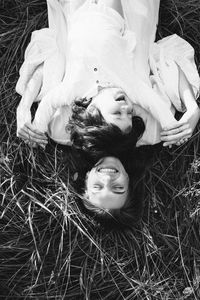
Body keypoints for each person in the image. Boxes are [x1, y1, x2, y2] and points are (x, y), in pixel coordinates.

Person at [16, 0, 200, 150]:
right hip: (112, 19)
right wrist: (169, 123)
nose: (126, 108)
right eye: (130, 114)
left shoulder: (72, 91)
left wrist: (38, 127)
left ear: (91, 111)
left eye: (117, 113)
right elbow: (153, 103)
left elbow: (48, 103)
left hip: (78, 19)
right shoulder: (129, 86)